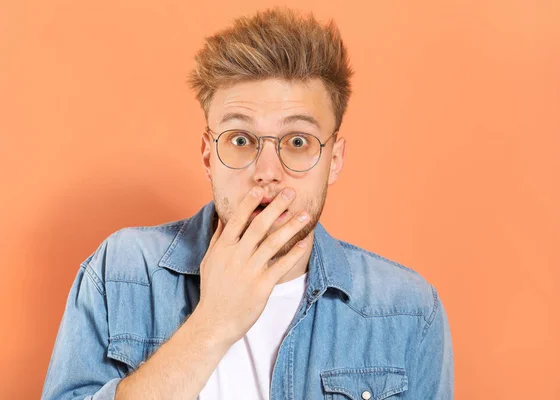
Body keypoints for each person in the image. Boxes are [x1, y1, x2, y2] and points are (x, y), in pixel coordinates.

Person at [42, 7, 453, 400]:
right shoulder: (120, 273)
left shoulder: (408, 312)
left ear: (335, 160)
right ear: (208, 156)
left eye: (297, 142)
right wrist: (213, 323)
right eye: (241, 140)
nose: (267, 171)